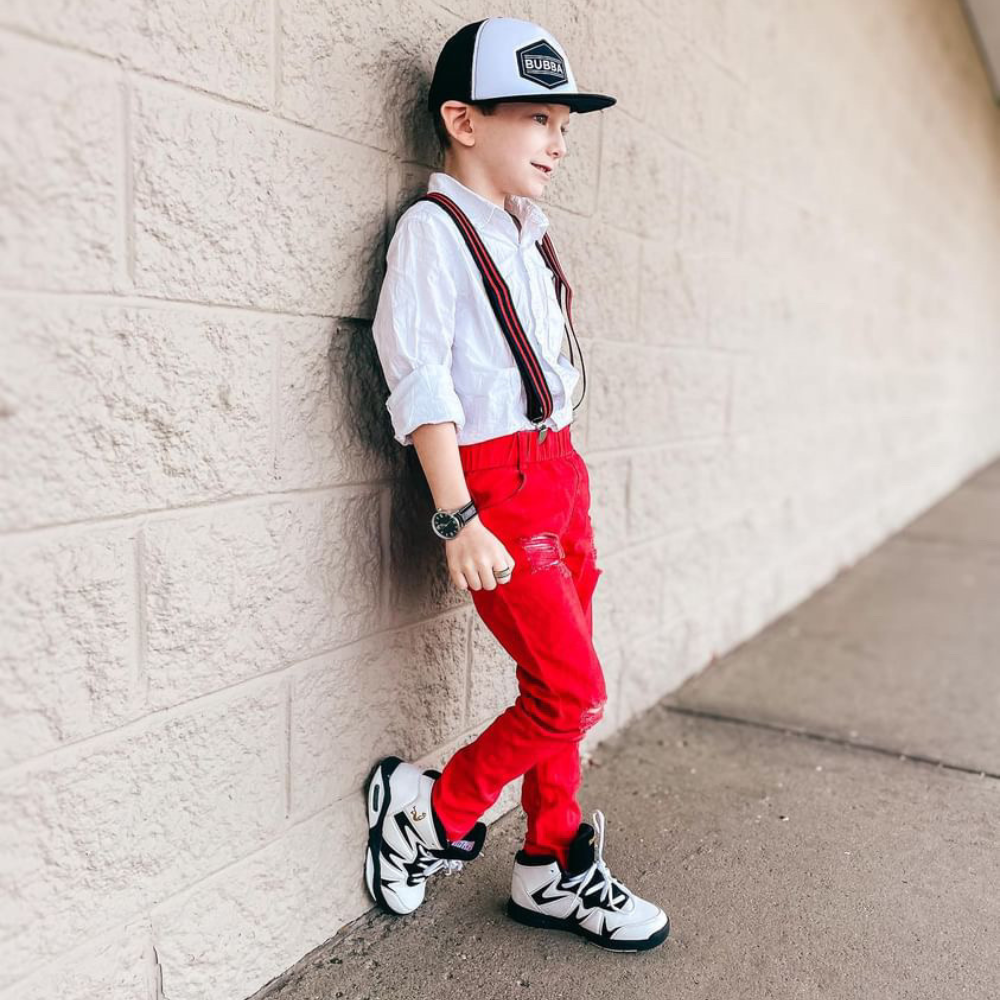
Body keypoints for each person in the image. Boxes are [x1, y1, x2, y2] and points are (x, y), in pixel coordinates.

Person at [364, 16, 669, 952]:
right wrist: (456, 513)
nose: (558, 141)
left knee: (557, 676)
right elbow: (419, 377)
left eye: (564, 124)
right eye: (537, 118)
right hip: (495, 484)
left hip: (557, 469)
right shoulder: (434, 231)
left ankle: (551, 862)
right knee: (572, 692)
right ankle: (431, 811)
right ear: (462, 119)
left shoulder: (527, 233)